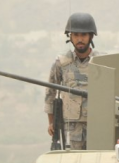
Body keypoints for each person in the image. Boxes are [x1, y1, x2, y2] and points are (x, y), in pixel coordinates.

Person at [44, 12, 103, 150]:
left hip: (98, 125)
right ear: (70, 37)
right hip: (70, 127)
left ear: (91, 36)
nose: (79, 39)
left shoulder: (102, 62)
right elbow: (50, 94)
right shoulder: (62, 63)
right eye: (75, 35)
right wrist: (51, 122)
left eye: (83, 35)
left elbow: (113, 92)